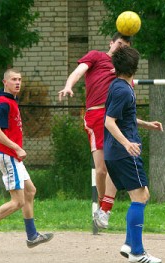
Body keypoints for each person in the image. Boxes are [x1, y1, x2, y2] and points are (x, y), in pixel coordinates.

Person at [0, 69, 54, 255]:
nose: (18, 82)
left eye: (20, 79)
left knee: (30, 191)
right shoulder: (3, 103)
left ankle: (32, 235)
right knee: (17, 201)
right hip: (7, 154)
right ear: (5, 82)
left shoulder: (9, 102)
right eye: (13, 79)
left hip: (11, 155)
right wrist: (16, 147)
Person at [58, 32, 133, 230]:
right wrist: (68, 86)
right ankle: (102, 205)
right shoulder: (96, 56)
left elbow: (127, 102)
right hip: (96, 116)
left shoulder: (124, 71)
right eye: (119, 44)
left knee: (113, 167)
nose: (120, 48)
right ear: (111, 43)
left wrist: (142, 123)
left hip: (115, 119)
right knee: (101, 169)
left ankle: (105, 209)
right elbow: (78, 72)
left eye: (125, 47)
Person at [104, 46, 163, 263]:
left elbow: (120, 118)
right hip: (124, 151)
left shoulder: (117, 86)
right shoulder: (122, 90)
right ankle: (137, 252)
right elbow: (108, 122)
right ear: (135, 68)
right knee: (140, 197)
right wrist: (127, 143)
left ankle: (129, 244)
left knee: (142, 194)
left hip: (116, 152)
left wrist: (146, 124)